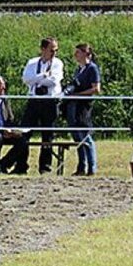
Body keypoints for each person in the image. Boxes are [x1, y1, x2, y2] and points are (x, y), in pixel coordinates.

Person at [20, 37, 64, 173]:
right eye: (51, 50)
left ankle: (45, 166)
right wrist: (43, 75)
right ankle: (20, 165)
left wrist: (37, 79)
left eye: (56, 50)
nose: (54, 53)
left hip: (50, 101)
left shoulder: (57, 63)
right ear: (43, 49)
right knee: (24, 133)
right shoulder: (32, 63)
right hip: (34, 100)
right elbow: (26, 80)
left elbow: (54, 81)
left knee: (48, 135)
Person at [62, 43, 101, 176]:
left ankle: (92, 167)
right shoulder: (78, 69)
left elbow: (96, 89)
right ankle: (81, 166)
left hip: (84, 106)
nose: (75, 55)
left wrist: (78, 94)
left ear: (86, 54)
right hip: (75, 105)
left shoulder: (92, 68)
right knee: (77, 137)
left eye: (78, 52)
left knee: (85, 136)